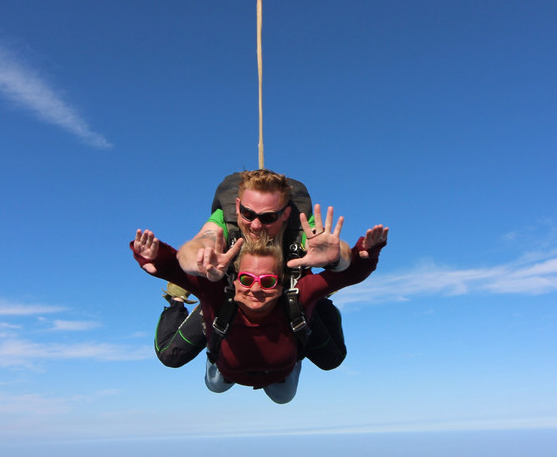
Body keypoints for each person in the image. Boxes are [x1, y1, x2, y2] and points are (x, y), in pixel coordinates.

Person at [133, 219, 388, 403]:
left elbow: (349, 275)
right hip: (224, 322)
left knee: (317, 371)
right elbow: (174, 268)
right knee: (178, 361)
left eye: (267, 281)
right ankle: (181, 302)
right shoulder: (220, 292)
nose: (255, 288)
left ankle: (319, 305)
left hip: (282, 354)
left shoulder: (297, 295)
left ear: (279, 284)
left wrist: (365, 254)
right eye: (246, 279)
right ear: (234, 280)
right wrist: (153, 257)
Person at [154, 170, 352, 371]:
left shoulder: (301, 225)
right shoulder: (226, 219)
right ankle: (176, 301)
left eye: (268, 217)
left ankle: (321, 303)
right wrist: (200, 261)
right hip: (231, 294)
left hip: (285, 295)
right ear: (238, 206)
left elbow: (342, 254)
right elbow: (195, 245)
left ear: (285, 214)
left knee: (332, 359)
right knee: (171, 354)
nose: (256, 226)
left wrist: (335, 258)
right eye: (248, 214)